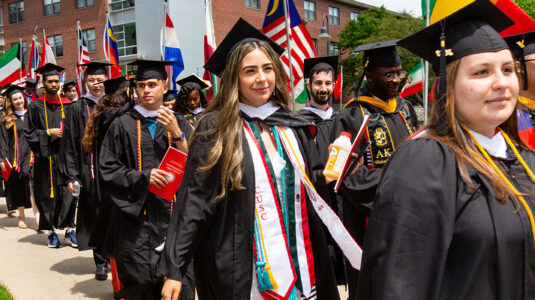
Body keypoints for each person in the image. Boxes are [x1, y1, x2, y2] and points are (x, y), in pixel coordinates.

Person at [160, 18, 351, 300]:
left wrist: (331, 174)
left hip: (301, 257)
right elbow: (194, 202)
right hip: (245, 264)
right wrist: (174, 267)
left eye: (267, 68)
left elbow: (304, 184)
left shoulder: (291, 125)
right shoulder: (216, 129)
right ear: (234, 77)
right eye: (250, 71)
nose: (262, 78)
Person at [357, 1, 535, 298]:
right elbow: (399, 281)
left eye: (507, 69)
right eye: (481, 72)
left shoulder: (523, 158)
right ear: (448, 85)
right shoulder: (426, 163)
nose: (501, 83)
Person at [330, 39, 419, 300]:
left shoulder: (406, 109)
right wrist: (399, 186)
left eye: (399, 72)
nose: (396, 79)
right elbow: (345, 175)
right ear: (369, 75)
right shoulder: (351, 116)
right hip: (372, 218)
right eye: (388, 74)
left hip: (412, 213)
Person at [98, 59, 190, 300]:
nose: (146, 90)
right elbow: (107, 167)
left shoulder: (179, 122)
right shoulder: (122, 123)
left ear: (164, 85)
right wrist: (143, 177)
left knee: (180, 289)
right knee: (139, 285)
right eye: (141, 85)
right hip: (135, 222)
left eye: (152, 84)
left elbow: (198, 165)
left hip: (173, 220)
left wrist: (177, 134)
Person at [59, 61, 110, 280]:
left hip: (114, 170)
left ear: (106, 80)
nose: (96, 84)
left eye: (100, 80)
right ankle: (101, 262)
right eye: (92, 80)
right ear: (85, 81)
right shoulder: (77, 108)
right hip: (89, 171)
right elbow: (69, 144)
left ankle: (115, 257)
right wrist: (71, 175)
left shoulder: (115, 103)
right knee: (96, 216)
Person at [298, 55, 346, 285]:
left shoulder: (341, 120)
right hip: (315, 201)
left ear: (334, 86)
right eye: (318, 83)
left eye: (328, 83)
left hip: (341, 199)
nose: (323, 88)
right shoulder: (298, 123)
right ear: (308, 85)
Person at [24, 63, 75, 248]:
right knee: (48, 194)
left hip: (67, 158)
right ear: (43, 83)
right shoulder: (35, 107)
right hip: (46, 159)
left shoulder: (69, 106)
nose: (54, 84)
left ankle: (70, 229)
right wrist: (47, 132)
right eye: (50, 81)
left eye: (56, 81)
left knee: (70, 193)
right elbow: (28, 133)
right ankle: (52, 232)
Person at [0, 85, 34, 229]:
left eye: (20, 97)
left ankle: (38, 215)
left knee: (34, 186)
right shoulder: (7, 118)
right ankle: (21, 215)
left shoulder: (32, 114)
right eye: (15, 99)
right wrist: (2, 158)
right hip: (16, 157)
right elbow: (3, 140)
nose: (19, 101)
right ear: (11, 102)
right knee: (19, 186)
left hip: (32, 156)